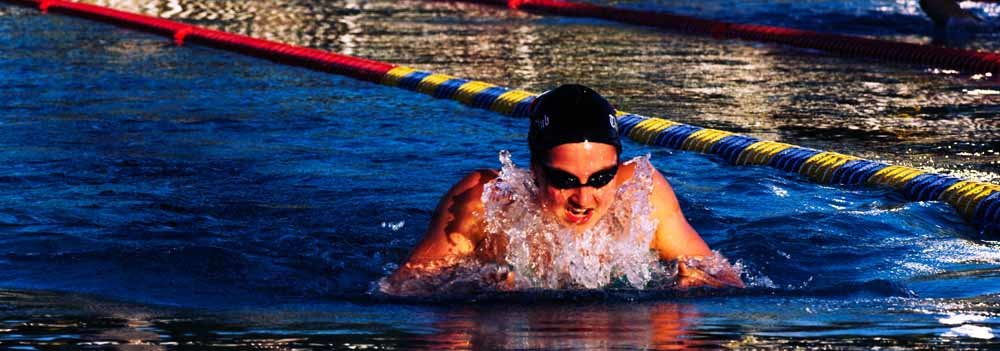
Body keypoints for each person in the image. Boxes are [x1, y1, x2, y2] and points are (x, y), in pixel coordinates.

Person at [382, 84, 743, 295]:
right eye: (565, 180)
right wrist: (473, 290)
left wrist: (702, 286)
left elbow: (727, 278)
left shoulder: (642, 194)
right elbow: (400, 288)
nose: (584, 200)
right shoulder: (484, 201)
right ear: (535, 170)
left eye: (602, 178)